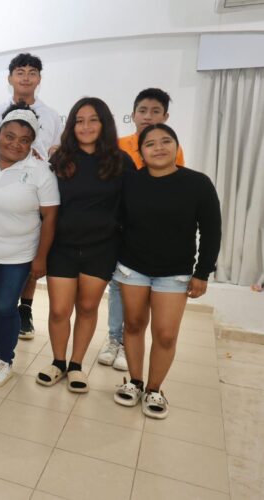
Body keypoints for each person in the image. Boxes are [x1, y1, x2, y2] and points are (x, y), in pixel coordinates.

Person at [113, 123, 221, 418]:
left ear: (176, 147)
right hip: (132, 267)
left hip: (174, 272)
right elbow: (117, 221)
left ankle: (154, 389)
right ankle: (135, 382)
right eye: (150, 144)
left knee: (165, 335)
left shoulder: (198, 183)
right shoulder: (130, 181)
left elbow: (211, 231)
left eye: (166, 141)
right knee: (133, 325)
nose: (158, 148)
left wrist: (202, 273)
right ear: (141, 153)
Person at [36, 97, 134, 393]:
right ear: (71, 125)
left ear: (104, 124)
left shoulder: (121, 161)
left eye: (93, 120)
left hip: (102, 249)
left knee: (88, 307)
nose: (86, 126)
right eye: (79, 121)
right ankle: (58, 362)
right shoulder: (59, 160)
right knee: (59, 310)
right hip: (62, 247)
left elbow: (131, 208)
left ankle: (76, 365)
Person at [0, 53, 64, 340]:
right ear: (10, 78)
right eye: (20, 72)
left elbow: (55, 153)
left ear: (39, 79)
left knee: (26, 250)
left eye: (32, 72)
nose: (26, 77)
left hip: (31, 191)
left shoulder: (51, 115)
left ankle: (24, 309)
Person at [0, 104, 59, 388]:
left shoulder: (41, 171)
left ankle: (5, 360)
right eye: (9, 136)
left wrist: (41, 258)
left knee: (6, 306)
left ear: (32, 144)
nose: (15, 144)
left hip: (18, 254)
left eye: (24, 140)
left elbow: (50, 217)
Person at [99, 88, 186, 371]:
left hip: (150, 235)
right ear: (133, 115)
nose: (148, 117)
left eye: (155, 111)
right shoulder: (117, 145)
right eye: (143, 111)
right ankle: (114, 339)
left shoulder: (171, 148)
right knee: (117, 287)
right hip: (118, 231)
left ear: (166, 116)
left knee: (142, 293)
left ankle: (129, 342)